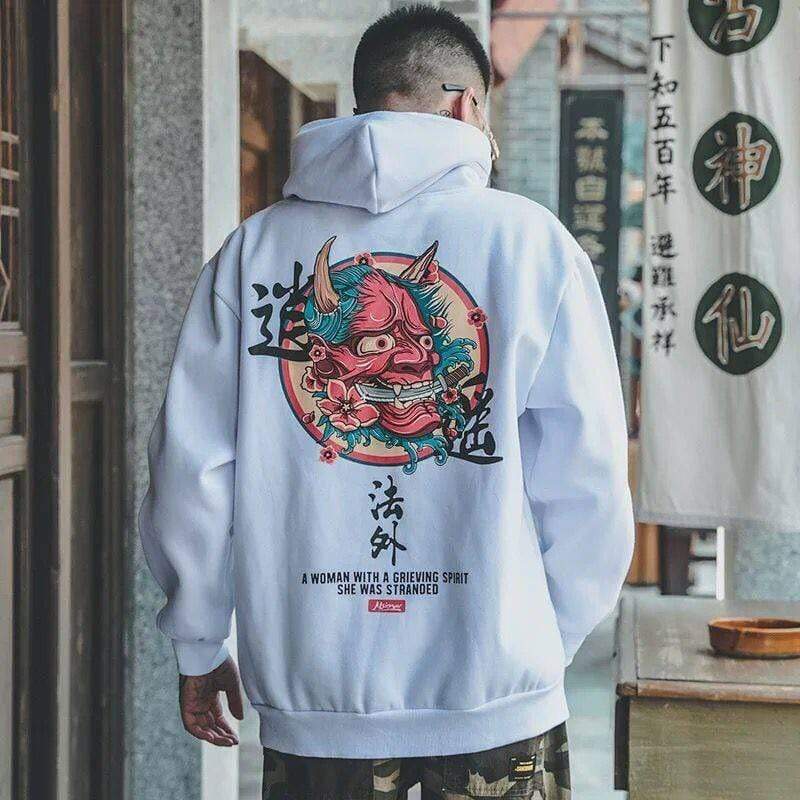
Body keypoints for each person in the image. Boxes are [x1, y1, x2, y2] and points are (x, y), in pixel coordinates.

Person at [139, 5, 634, 798]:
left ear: (362, 103)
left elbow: (190, 470)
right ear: (470, 107)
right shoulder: (533, 245)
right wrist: (537, 645)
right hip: (498, 700)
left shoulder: (253, 251)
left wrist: (199, 640)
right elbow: (590, 478)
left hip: (315, 704)